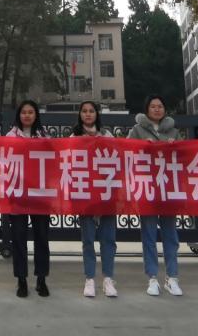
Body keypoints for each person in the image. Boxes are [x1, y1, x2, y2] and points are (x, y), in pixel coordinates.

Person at [128, 94, 183, 297]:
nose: (157, 109)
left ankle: (172, 277)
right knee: (149, 235)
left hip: (168, 189)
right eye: (153, 106)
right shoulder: (137, 130)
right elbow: (127, 152)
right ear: (147, 109)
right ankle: (152, 277)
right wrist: (141, 146)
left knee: (171, 235)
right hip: (147, 188)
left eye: (160, 106)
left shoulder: (174, 131)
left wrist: (176, 147)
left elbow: (185, 157)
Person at [5, 100, 51, 298]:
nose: (27, 115)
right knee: (18, 237)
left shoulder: (45, 136)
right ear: (19, 115)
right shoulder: (10, 136)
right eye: (23, 112)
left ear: (36, 115)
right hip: (18, 194)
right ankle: (21, 280)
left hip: (41, 194)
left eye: (31, 112)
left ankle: (41, 279)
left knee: (42, 237)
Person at [73, 101, 118, 298]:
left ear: (97, 114)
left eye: (91, 111)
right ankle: (89, 278)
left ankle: (108, 278)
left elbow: (118, 159)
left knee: (108, 239)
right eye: (84, 111)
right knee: (88, 239)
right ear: (80, 115)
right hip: (85, 194)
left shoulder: (107, 136)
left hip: (107, 193)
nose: (88, 114)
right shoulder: (73, 137)